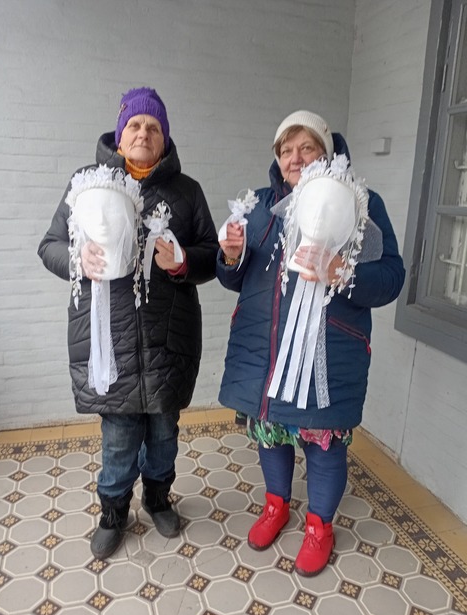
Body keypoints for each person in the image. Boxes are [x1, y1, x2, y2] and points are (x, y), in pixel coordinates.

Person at [217, 110, 405, 577]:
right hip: (266, 351)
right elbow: (234, 278)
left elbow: (391, 277)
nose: (295, 158)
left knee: (323, 444)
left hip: (328, 352)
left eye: (306, 148)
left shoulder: (361, 202)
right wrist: (230, 256)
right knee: (271, 434)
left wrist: (344, 272)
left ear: (327, 151)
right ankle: (276, 505)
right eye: (286, 150)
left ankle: (320, 527)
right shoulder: (261, 205)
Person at [38, 87, 218, 559]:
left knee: (164, 432)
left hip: (168, 337)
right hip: (110, 340)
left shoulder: (187, 192)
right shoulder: (87, 184)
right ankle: (114, 512)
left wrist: (183, 261)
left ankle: (157, 497)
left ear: (165, 138)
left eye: (153, 127)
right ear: (120, 135)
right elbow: (50, 245)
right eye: (135, 125)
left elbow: (212, 256)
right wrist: (78, 259)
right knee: (118, 438)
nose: (143, 133)